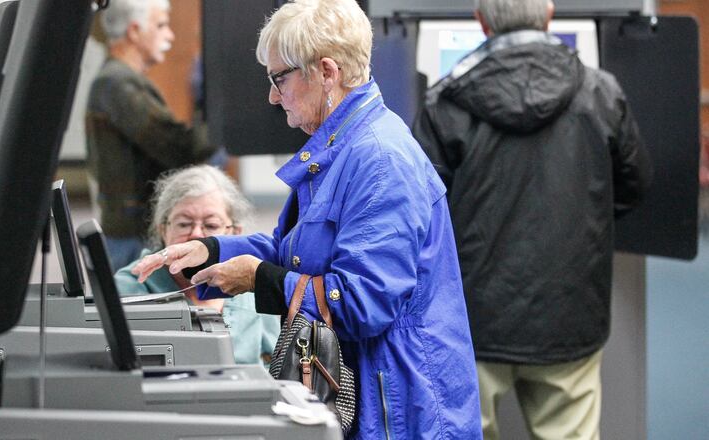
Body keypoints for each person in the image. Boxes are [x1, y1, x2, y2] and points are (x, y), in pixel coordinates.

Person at [132, 1, 482, 438]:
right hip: (379, 393)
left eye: (280, 78)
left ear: (327, 72)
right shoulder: (341, 149)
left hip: (401, 407)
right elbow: (293, 251)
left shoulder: (378, 161)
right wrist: (211, 250)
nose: (273, 96)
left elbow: (362, 303)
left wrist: (261, 279)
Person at [412, 1, 652, 439]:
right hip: (570, 312)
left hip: (473, 319)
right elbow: (634, 186)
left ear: (481, 21)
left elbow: (420, 213)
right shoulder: (601, 92)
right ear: (549, 15)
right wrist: (587, 215)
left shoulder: (445, 103)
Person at [86, 0, 217, 271]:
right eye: (161, 25)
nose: (169, 35)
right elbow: (179, 147)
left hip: (133, 231)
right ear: (134, 31)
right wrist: (221, 118)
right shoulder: (117, 83)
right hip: (133, 237)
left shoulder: (121, 80)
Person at [114, 165, 280, 366]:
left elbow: (277, 367)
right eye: (184, 224)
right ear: (163, 230)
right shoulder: (130, 286)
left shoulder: (252, 283)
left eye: (210, 225)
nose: (196, 235)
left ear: (235, 233)